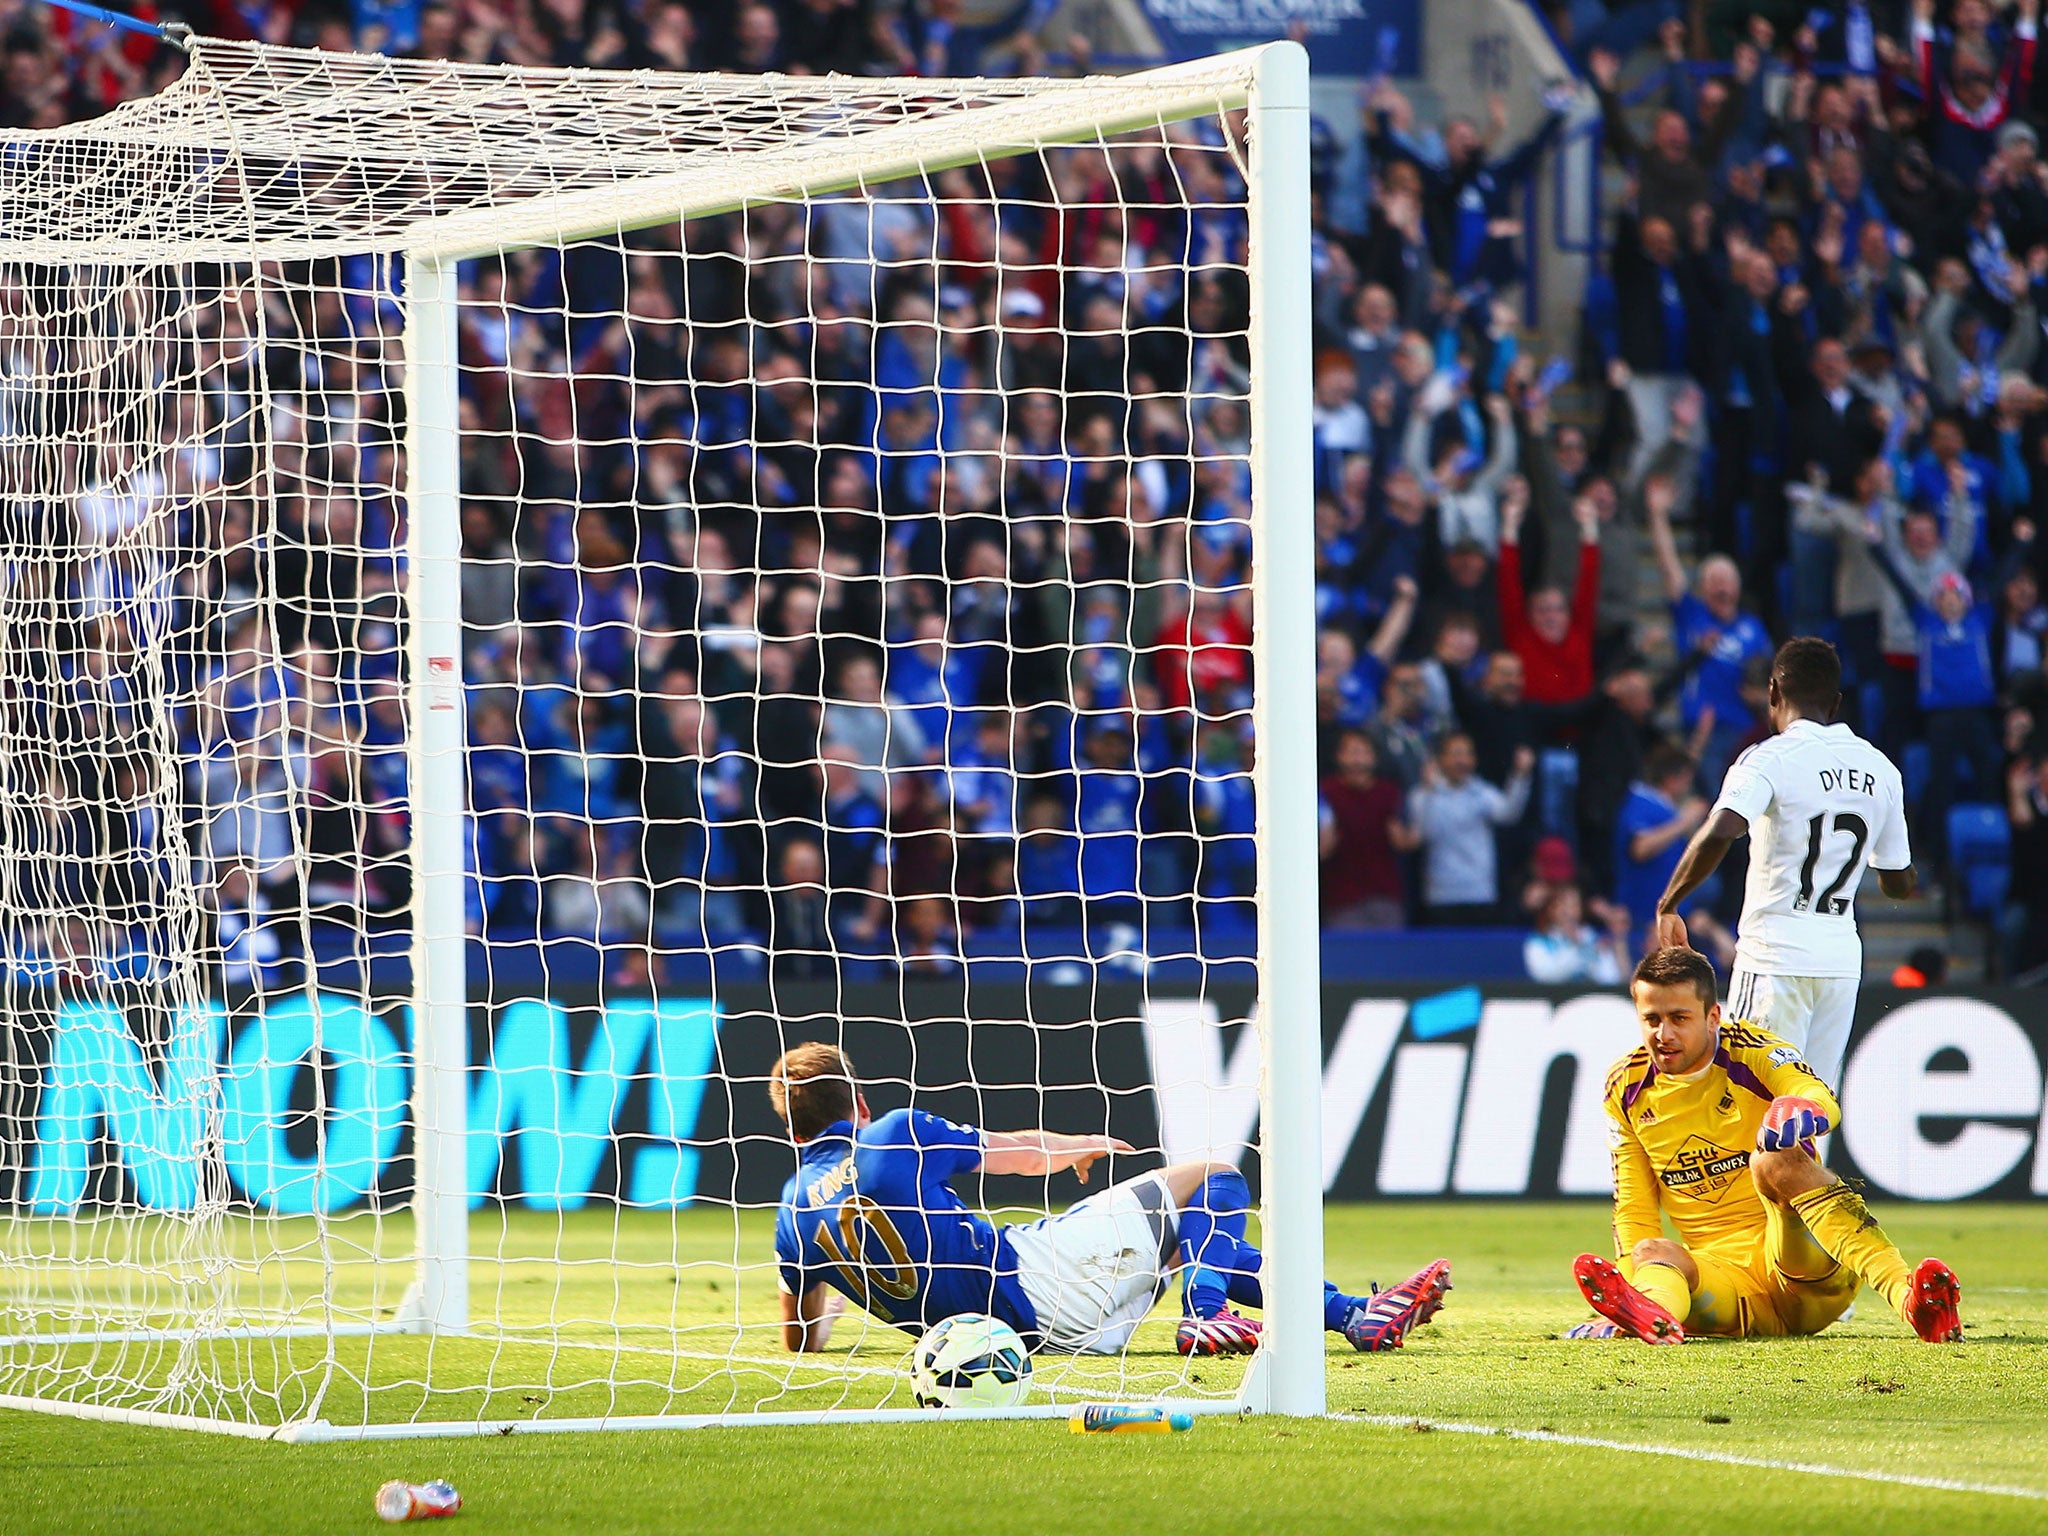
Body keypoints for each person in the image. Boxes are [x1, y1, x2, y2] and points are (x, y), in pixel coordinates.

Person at [768, 1042, 1452, 1359]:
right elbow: (1020, 1154)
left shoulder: (791, 1217)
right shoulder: (892, 1134)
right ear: (859, 1103)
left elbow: (800, 1338)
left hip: (1011, 1343)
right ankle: (1204, 1313)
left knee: (1189, 1233)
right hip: (1037, 1273)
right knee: (1215, 1176)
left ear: (792, 1130)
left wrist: (830, 1296)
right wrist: (1083, 1143)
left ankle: (1354, 1316)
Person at [1568, 947, 1962, 1345]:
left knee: (1772, 1160)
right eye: (1651, 1019)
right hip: (1728, 1292)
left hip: (1807, 1273)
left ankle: (1908, 1297)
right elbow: (1634, 1208)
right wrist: (1632, 1281)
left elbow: (1814, 1092)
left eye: (1679, 1019)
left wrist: (1803, 1108)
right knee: (1655, 1251)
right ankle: (1647, 1316)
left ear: (1713, 1017)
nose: (1663, 1034)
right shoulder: (1626, 1087)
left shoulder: (1751, 1051)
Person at [1652, 638, 1916, 1088]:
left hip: (1775, 958)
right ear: (1835, 702)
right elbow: (1898, 882)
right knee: (1804, 1114)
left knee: (1745, 1109)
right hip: (1838, 963)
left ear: (1773, 693)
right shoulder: (1881, 770)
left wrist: (1670, 902)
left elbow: (1721, 830)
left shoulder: (1768, 758)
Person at [1408, 732, 1534, 924]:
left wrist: (1520, 776)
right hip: (1442, 895)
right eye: (1456, 754)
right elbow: (1425, 833)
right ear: (1441, 759)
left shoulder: (1481, 792)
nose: (1463, 761)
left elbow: (1508, 815)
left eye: (1468, 754)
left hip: (1480, 892)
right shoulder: (1422, 794)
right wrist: (1430, 792)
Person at [1522, 883, 1628, 984]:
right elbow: (1543, 976)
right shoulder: (1539, 941)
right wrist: (1574, 947)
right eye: (1563, 904)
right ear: (1551, 909)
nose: (1569, 911)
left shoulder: (1589, 937)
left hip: (1589, 998)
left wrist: (1598, 952)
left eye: (1574, 905)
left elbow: (1610, 977)